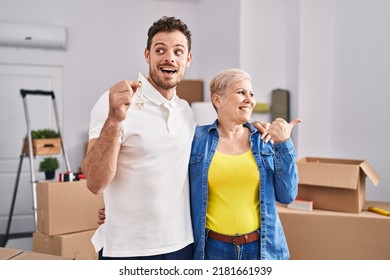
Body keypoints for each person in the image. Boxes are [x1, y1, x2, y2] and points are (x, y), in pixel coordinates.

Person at [85, 16, 270, 260]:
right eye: (160, 50)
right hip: (128, 248)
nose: (169, 57)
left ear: (188, 60)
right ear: (147, 55)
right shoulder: (116, 103)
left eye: (178, 51)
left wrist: (251, 128)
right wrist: (115, 119)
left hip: (182, 245)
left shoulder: (186, 112)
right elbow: (94, 182)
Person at [189, 68, 300, 260]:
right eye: (241, 92)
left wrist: (284, 144)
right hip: (213, 250)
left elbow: (287, 195)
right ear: (218, 100)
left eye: (251, 94)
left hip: (259, 249)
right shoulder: (197, 139)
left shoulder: (264, 140)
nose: (249, 99)